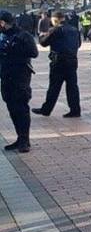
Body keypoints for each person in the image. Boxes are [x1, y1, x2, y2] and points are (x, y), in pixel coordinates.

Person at [0, 11, 38, 153]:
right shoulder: (2, 36)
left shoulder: (23, 35)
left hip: (20, 77)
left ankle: (24, 140)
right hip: (6, 76)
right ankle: (19, 137)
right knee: (12, 108)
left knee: (21, 108)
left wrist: (14, 48)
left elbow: (34, 53)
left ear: (2, 22)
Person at [33, 11, 82, 118]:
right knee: (72, 86)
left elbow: (44, 43)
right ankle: (75, 110)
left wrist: (42, 36)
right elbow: (78, 44)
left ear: (55, 19)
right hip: (72, 61)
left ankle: (46, 109)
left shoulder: (56, 30)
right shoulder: (74, 30)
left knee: (54, 87)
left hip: (58, 62)